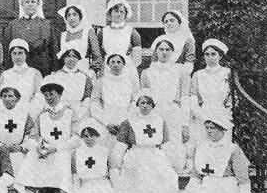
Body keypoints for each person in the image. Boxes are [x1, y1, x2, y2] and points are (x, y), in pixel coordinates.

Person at [52, 118, 136, 193]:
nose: (89, 139)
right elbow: (75, 176)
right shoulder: (76, 153)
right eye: (85, 136)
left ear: (98, 136)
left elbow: (113, 175)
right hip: (85, 186)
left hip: (102, 186)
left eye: (92, 135)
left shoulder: (106, 152)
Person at [15, 82, 79, 193]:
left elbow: (76, 138)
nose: (49, 97)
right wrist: (39, 147)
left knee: (60, 158)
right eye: (46, 95)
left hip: (62, 149)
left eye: (52, 94)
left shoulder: (70, 113)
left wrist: (56, 148)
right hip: (45, 150)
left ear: (60, 95)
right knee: (32, 158)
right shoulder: (42, 115)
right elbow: (34, 136)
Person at [110, 91, 178, 193]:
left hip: (155, 153)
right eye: (142, 103)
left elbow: (166, 143)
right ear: (137, 105)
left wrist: (172, 160)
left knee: (166, 172)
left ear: (153, 105)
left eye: (148, 103)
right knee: (140, 172)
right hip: (136, 154)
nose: (145, 106)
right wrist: (116, 161)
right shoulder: (128, 122)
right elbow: (121, 145)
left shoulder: (160, 121)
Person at [141, 38, 190, 170]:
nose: (164, 52)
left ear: (172, 52)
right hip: (154, 112)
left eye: (167, 49)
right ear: (156, 52)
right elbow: (144, 98)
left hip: (173, 111)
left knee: (173, 141)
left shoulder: (180, 71)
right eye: (161, 49)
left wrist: (185, 123)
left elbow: (185, 97)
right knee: (154, 140)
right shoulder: (147, 73)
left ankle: (175, 170)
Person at [0, 86, 36, 193]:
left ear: (17, 99)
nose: (7, 99)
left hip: (19, 150)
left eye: (11, 96)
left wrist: (22, 147)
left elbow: (32, 136)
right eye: (5, 96)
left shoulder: (24, 116)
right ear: (1, 98)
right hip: (2, 151)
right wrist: (2, 147)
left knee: (19, 161)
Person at [3, 0, 56, 77]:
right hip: (18, 67)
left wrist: (54, 69)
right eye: (27, 2)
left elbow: (53, 48)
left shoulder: (46, 24)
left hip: (42, 67)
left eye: (33, 2)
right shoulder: (13, 25)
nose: (30, 4)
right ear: (22, 5)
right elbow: (7, 49)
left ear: (38, 4)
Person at [91, 54, 139, 147]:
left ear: (123, 65)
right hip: (106, 120)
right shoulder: (101, 81)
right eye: (112, 62)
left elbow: (134, 102)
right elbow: (95, 102)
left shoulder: (129, 81)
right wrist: (106, 122)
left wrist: (124, 122)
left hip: (125, 120)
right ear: (108, 65)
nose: (116, 65)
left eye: (119, 62)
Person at [190, 38, 232, 142]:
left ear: (220, 56)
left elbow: (233, 98)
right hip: (204, 116)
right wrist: (202, 116)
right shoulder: (198, 75)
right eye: (207, 54)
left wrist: (228, 113)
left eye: (213, 54)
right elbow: (193, 99)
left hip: (223, 115)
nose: (210, 57)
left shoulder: (227, 73)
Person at [97, 0, 141, 86]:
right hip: (107, 68)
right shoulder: (103, 32)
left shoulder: (132, 32)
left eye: (122, 12)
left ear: (125, 14)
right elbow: (98, 54)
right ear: (110, 13)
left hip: (127, 69)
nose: (119, 14)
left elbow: (137, 57)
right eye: (116, 11)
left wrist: (126, 69)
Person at [0, 39, 43, 118]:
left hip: (29, 113)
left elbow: (39, 97)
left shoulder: (35, 73)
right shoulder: (5, 74)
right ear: (11, 55)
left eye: (20, 53)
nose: (17, 57)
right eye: (14, 53)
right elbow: (1, 97)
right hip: (8, 114)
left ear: (26, 54)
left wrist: (31, 114)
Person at [57, 4, 102, 76]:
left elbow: (97, 55)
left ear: (80, 17)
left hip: (84, 71)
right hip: (66, 73)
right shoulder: (63, 35)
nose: (71, 18)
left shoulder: (88, 32)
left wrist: (92, 71)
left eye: (74, 15)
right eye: (69, 15)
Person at [48, 49, 93, 121]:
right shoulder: (55, 76)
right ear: (63, 58)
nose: (71, 59)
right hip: (61, 109)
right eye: (68, 56)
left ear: (78, 59)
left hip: (80, 110)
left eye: (74, 56)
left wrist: (80, 112)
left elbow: (87, 96)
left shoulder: (84, 77)